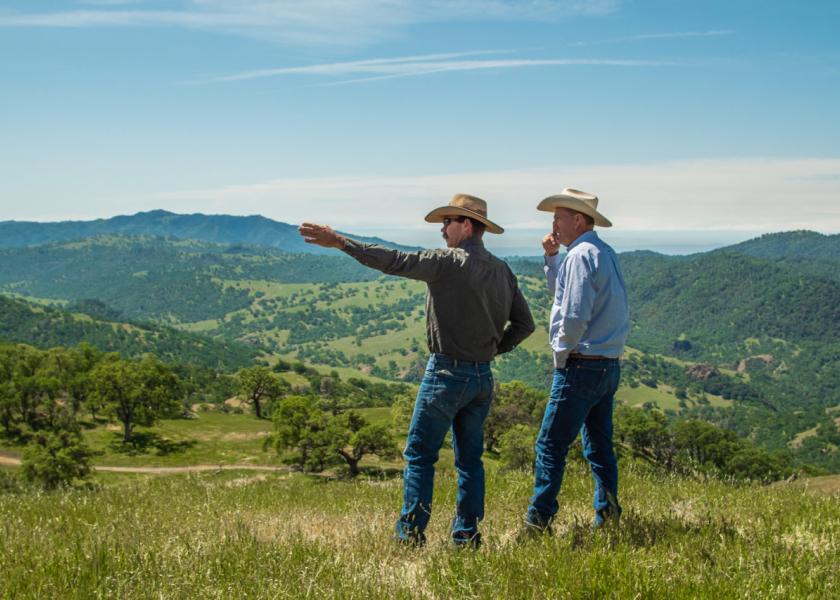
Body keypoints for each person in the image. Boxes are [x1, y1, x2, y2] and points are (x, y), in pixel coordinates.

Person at [299, 194, 534, 547]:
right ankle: (466, 536)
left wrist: (342, 243)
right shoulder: (502, 270)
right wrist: (493, 349)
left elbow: (394, 261)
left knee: (421, 455)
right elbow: (524, 324)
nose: (442, 230)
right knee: (470, 461)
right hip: (482, 377)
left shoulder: (448, 262)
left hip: (446, 374)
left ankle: (410, 535)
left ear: (466, 225)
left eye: (447, 222)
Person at [522, 188, 629, 535]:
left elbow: (573, 313)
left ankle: (538, 523)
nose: (553, 223)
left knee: (550, 445)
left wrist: (560, 353)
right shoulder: (603, 252)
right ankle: (608, 516)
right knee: (599, 447)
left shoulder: (581, 255)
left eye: (558, 216)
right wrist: (552, 259)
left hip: (581, 365)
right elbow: (566, 293)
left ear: (578, 219)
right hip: (607, 365)